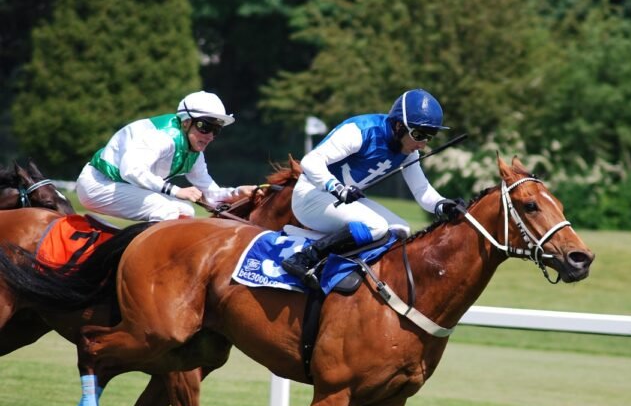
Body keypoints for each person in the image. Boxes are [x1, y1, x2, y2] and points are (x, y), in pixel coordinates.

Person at [281, 88, 464, 288]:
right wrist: (338, 188)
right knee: (376, 226)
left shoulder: (409, 151)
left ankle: (353, 272)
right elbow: (310, 161)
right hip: (310, 196)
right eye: (419, 134)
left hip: (340, 201)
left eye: (430, 136)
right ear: (397, 126)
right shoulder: (361, 131)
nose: (423, 144)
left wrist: (442, 205)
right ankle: (304, 258)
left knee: (401, 229)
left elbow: (422, 190)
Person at [76, 91, 256, 222]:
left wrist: (237, 193)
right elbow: (131, 170)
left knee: (186, 211)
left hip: (121, 186)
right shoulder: (163, 137)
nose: (210, 135)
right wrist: (177, 191)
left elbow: (211, 194)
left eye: (216, 130)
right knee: (165, 209)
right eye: (205, 126)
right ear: (186, 122)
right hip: (98, 185)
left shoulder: (194, 152)